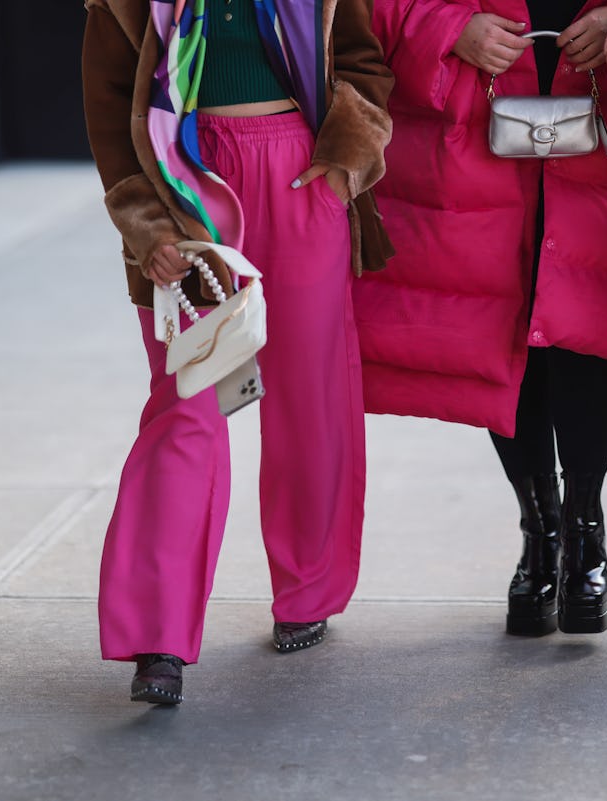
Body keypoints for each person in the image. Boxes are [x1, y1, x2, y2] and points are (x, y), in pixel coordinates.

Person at [81, 0, 392, 704]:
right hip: (185, 190)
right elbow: (108, 112)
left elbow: (365, 65)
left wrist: (345, 161)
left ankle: (308, 588)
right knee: (185, 405)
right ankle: (157, 634)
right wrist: (148, 227)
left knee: (308, 394)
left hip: (300, 176)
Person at [358, 0, 607, 635]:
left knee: (589, 325)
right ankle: (541, 530)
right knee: (506, 328)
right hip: (478, 123)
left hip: (602, 109)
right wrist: (450, 29)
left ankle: (586, 534)